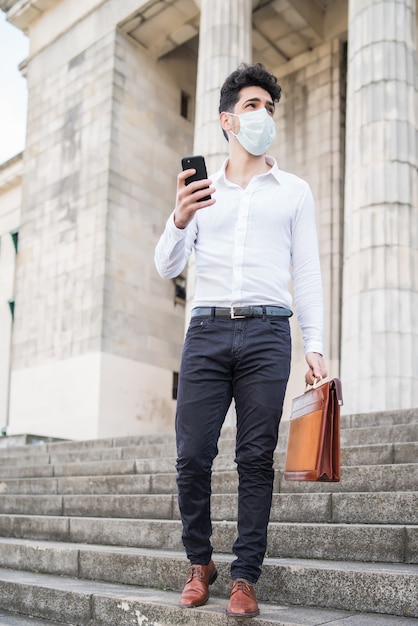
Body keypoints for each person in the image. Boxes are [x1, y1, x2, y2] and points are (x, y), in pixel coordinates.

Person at [154, 62, 327, 618]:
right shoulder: (202, 192)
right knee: (192, 455)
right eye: (252, 107)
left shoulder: (294, 192)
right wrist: (179, 219)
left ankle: (246, 575)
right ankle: (199, 561)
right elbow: (166, 267)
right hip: (205, 330)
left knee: (254, 458)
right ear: (227, 120)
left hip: (268, 332)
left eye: (269, 108)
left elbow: (307, 274)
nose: (262, 117)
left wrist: (315, 345)